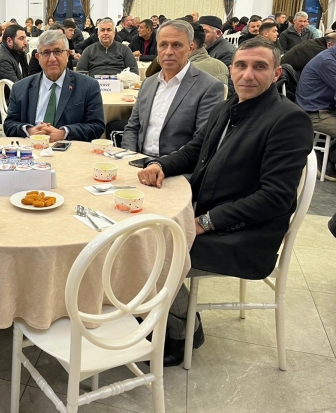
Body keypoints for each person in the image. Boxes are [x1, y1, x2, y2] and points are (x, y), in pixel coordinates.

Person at [137, 37, 313, 366]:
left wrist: (205, 222)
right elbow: (195, 151)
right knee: (139, 229)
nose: (248, 74)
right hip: (213, 213)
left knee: (152, 250)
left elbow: (274, 197)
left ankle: (183, 333)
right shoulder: (229, 106)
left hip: (247, 235)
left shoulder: (288, 120)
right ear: (231, 70)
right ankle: (153, 309)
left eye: (259, 67)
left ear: (276, 73)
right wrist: (160, 165)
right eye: (241, 66)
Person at [120, 20, 224, 156]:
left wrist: (161, 165)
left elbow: (201, 141)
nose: (168, 52)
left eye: (176, 45)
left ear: (190, 48)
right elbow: (132, 128)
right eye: (163, 45)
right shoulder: (148, 83)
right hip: (138, 160)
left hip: (178, 165)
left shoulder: (208, 87)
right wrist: (129, 157)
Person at [4, 30, 105, 142]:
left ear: (67, 54)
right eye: (46, 53)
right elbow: (9, 125)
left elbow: (97, 126)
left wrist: (63, 133)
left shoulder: (88, 86)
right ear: (38, 57)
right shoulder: (20, 88)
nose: (52, 59)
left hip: (69, 149)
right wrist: (30, 131)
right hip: (32, 147)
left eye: (57, 51)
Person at [296, 43, 336, 181]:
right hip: (314, 114)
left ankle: (329, 155)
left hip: (326, 109)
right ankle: (324, 158)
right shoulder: (327, 62)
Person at [0, 24, 29, 123]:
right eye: (21, 38)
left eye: (25, 38)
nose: (26, 42)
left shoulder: (17, 53)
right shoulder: (2, 60)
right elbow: (17, 90)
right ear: (9, 41)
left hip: (8, 101)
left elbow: (26, 78)